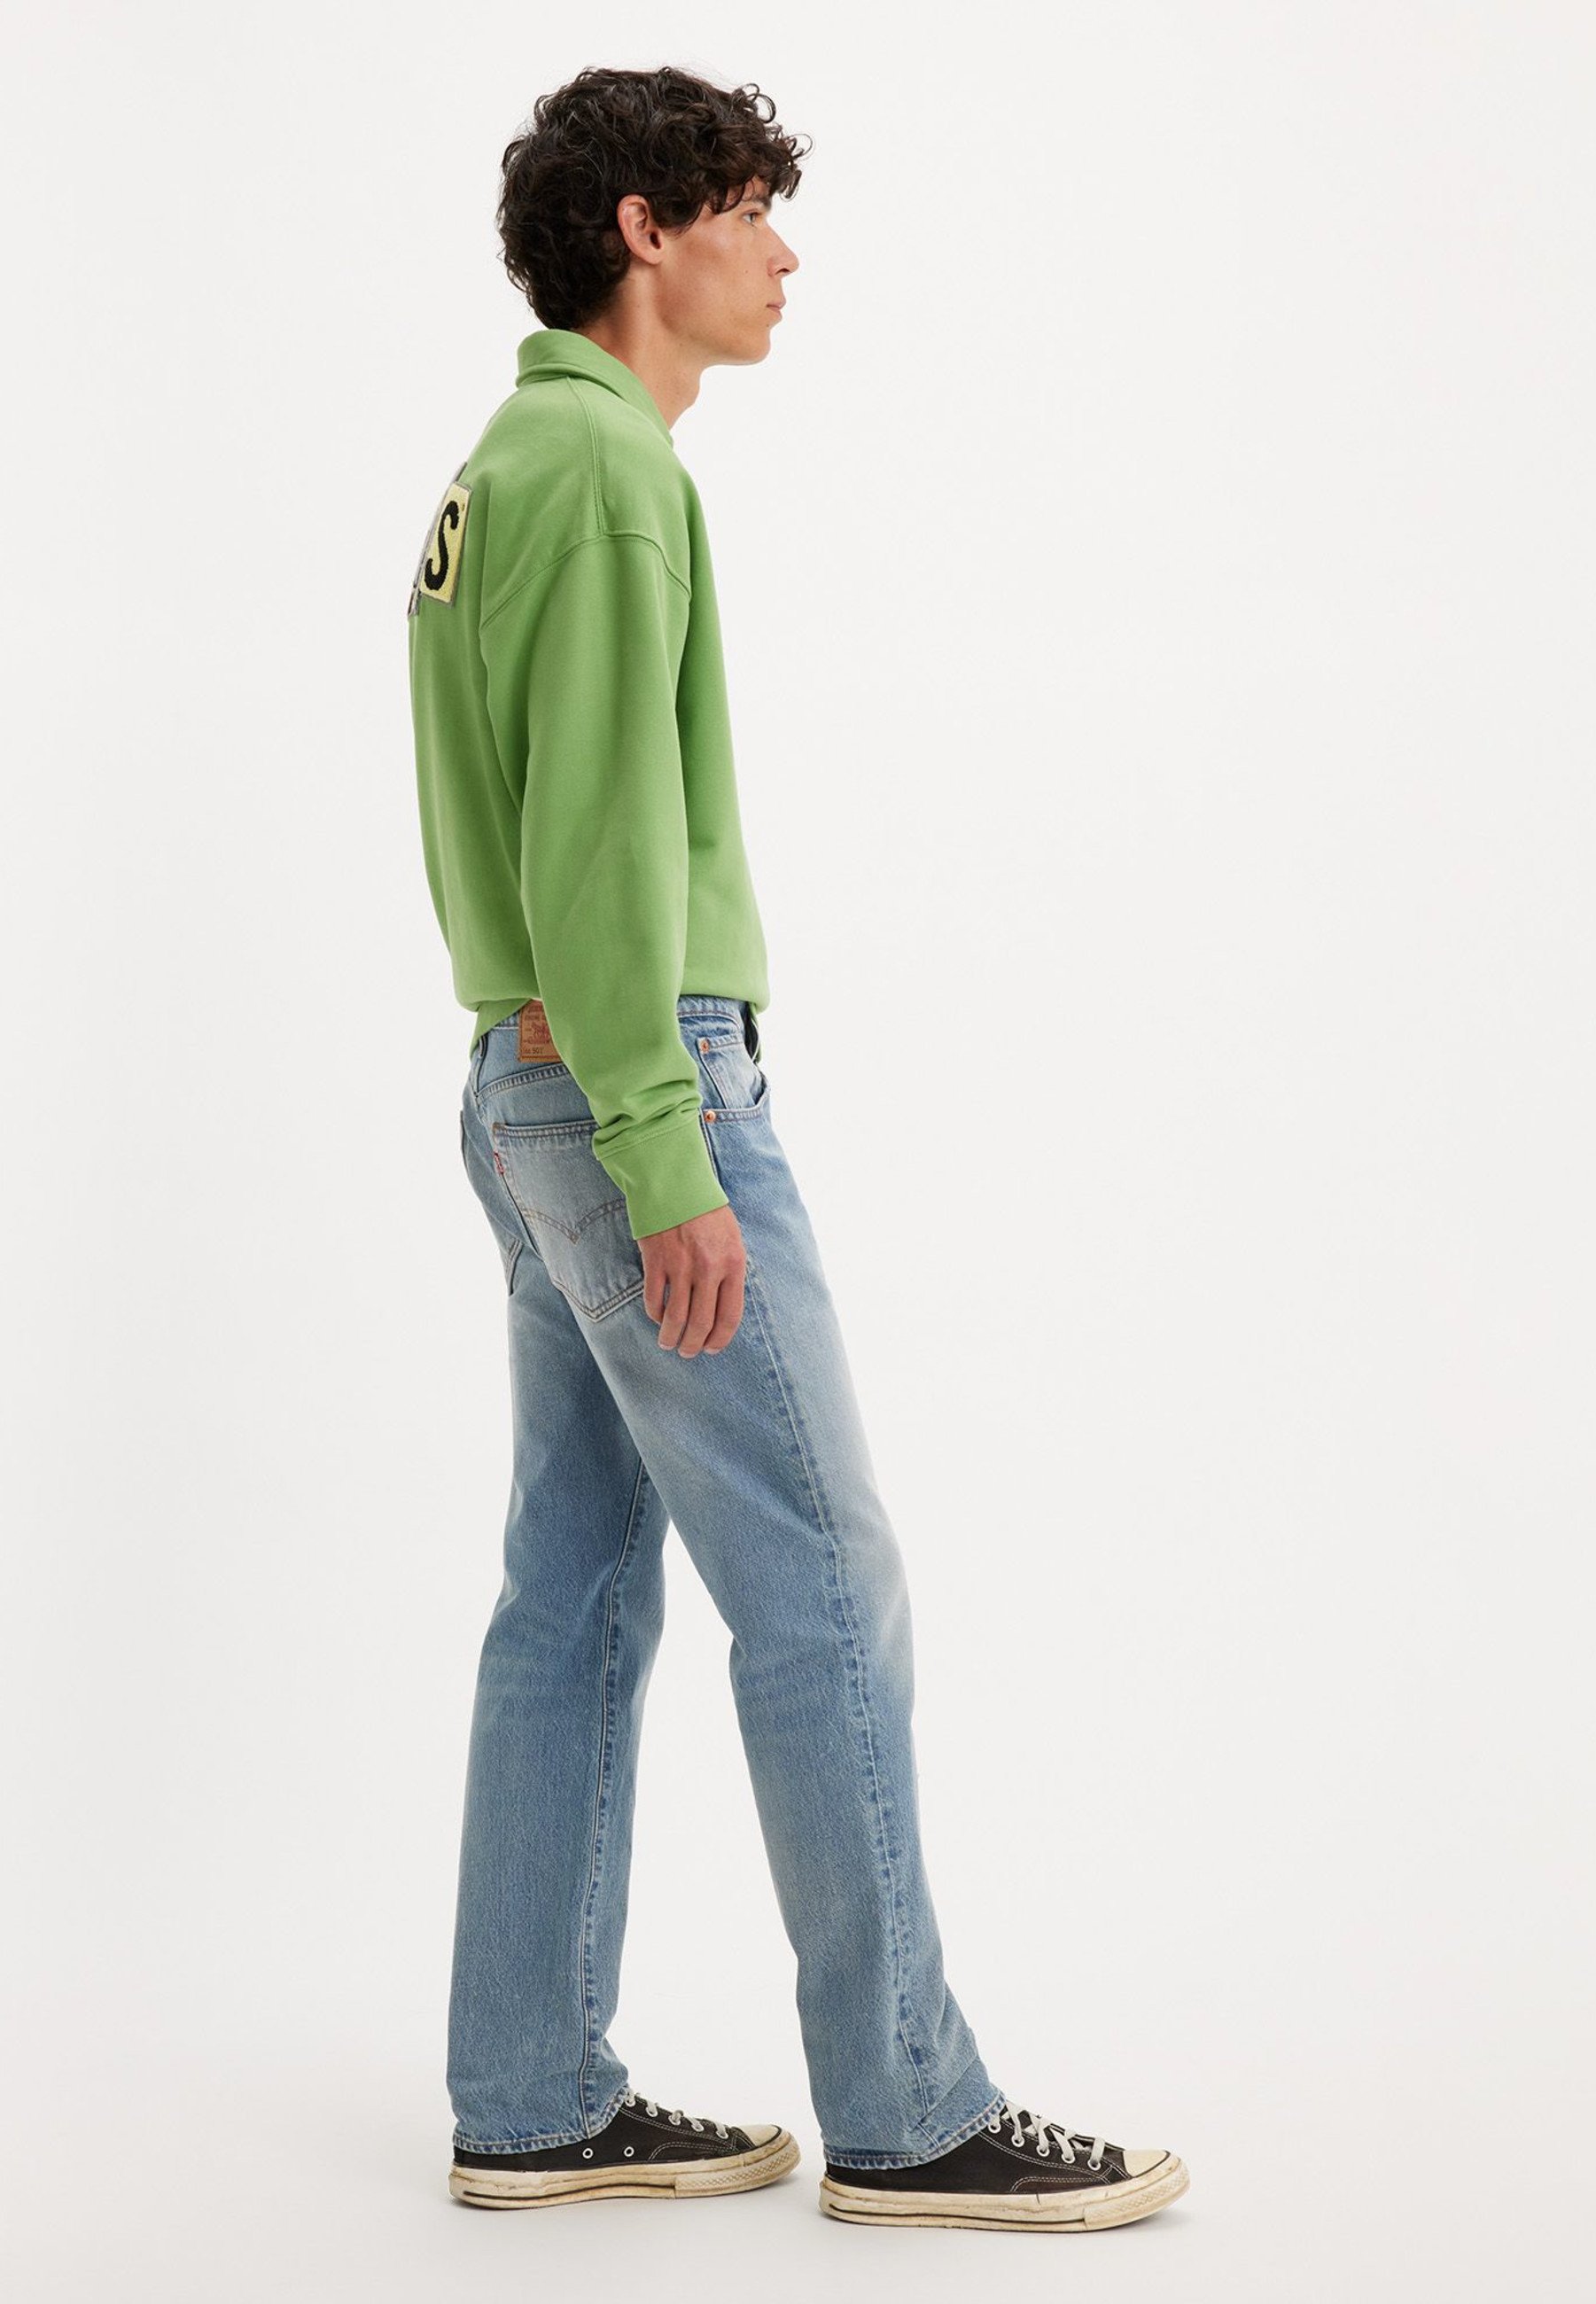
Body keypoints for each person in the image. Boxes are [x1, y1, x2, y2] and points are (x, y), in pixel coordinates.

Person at [406, 61, 1189, 2233]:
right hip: (632, 1089)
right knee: (825, 1585)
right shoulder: (599, 471)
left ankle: (527, 2093)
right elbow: (591, 840)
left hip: (534, 1079)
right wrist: (666, 1148)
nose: (782, 253)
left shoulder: (508, 465)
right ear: (643, 231)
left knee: (572, 1594)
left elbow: (515, 841)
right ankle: (911, 2111)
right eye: (747, 209)